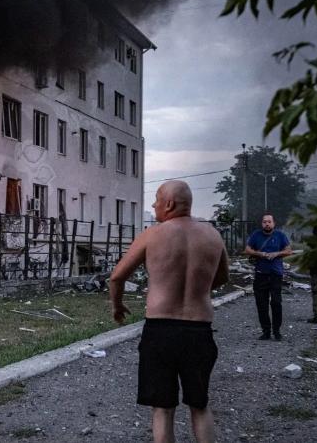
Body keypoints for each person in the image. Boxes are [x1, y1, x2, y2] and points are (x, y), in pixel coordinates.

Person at [109, 180, 229, 443]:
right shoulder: (213, 235)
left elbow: (117, 277)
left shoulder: (153, 235)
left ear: (170, 204)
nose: (153, 205)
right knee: (200, 405)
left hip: (160, 331)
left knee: (162, 408)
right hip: (199, 330)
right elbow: (222, 277)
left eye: (156, 199)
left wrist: (118, 306)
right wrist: (199, 291)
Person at [244, 213, 292, 341]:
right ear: (262, 223)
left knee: (276, 302)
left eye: (269, 221)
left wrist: (277, 253)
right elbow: (247, 250)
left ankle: (277, 331)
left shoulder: (280, 235)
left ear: (273, 223)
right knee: (261, 304)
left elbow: (288, 250)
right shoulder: (256, 235)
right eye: (264, 221)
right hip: (260, 274)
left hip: (276, 274)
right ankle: (266, 331)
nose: (267, 224)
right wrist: (259, 254)